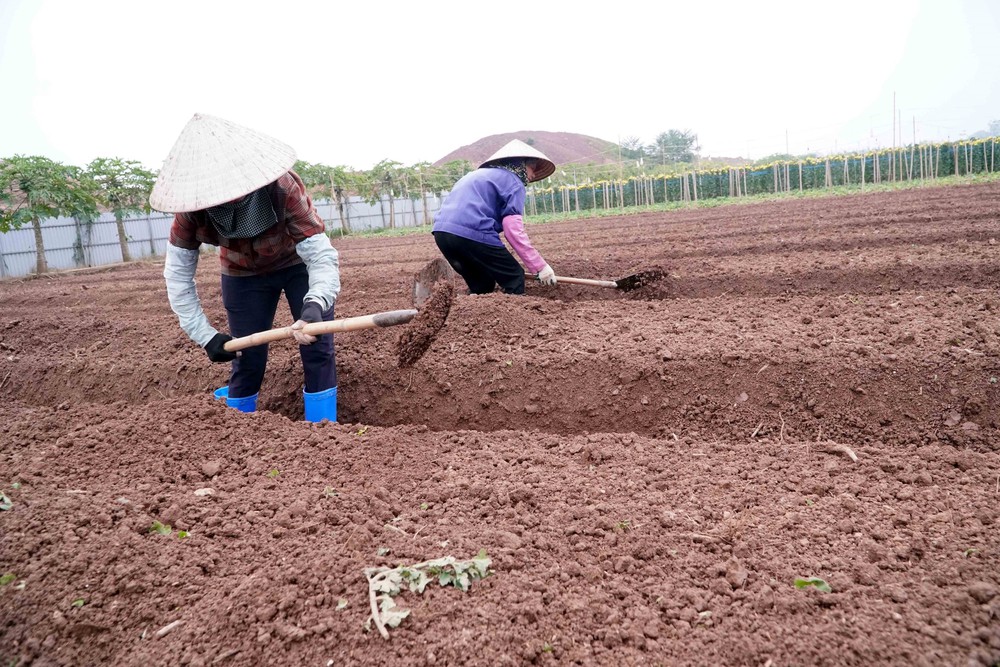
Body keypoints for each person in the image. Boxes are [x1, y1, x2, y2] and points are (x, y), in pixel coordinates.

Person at [150, 113, 340, 422]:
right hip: (242, 274)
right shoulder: (191, 213)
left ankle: (324, 431)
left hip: (296, 263)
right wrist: (205, 336)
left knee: (316, 346)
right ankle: (237, 434)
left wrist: (316, 303)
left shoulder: (282, 188)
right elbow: (178, 277)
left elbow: (320, 255)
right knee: (246, 357)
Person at [432, 139, 558, 295]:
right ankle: (517, 318)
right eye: (532, 168)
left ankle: (468, 315)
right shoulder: (514, 182)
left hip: (442, 234)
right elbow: (513, 230)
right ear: (520, 165)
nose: (533, 175)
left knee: (482, 284)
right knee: (514, 277)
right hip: (473, 232)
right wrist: (540, 267)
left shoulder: (476, 176)